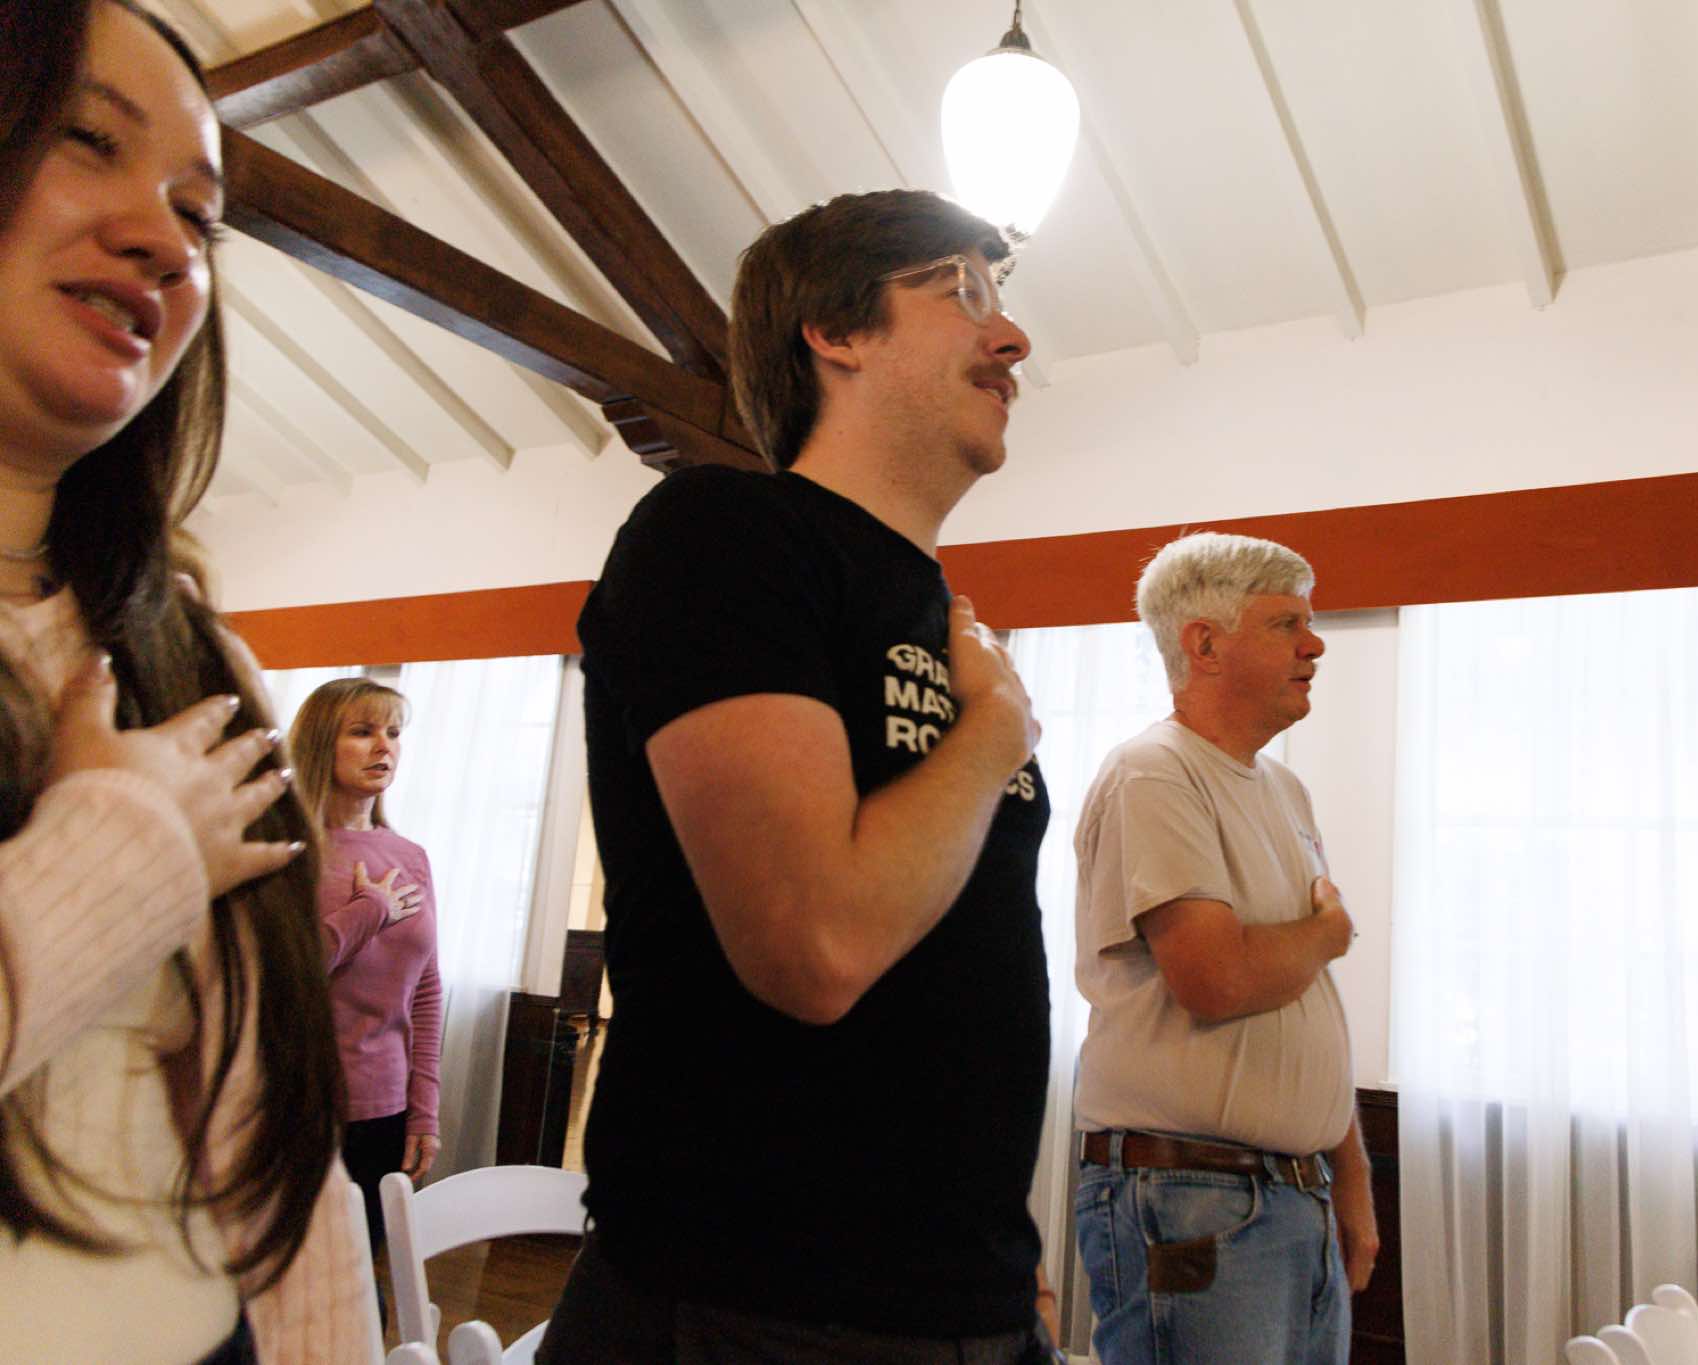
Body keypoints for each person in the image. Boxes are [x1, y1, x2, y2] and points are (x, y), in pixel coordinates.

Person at [547, 189, 1056, 1363]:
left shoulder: (943, 619)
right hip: (756, 1308)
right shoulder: (722, 533)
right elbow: (815, 945)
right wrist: (994, 734)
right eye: (959, 290)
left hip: (965, 1304)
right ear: (835, 331)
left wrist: (997, 1266)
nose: (1011, 336)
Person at [0, 2, 371, 1360]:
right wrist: (125, 846)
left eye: (198, 217)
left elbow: (281, 1156)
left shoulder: (196, 663)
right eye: (85, 140)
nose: (164, 241)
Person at [1070, 532, 1379, 1364]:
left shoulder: (1285, 789)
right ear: (1204, 644)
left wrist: (1348, 1178)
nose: (1315, 645)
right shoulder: (1155, 772)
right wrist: (1327, 933)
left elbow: (1305, 1001)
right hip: (1193, 1194)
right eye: (1287, 624)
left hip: (1289, 1193)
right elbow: (1217, 977)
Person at [286, 678, 441, 1270]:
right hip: (296, 1106)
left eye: (393, 733)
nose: (384, 746)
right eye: (362, 731)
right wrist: (368, 911)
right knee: (293, 1282)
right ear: (320, 744)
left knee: (357, 1278)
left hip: (385, 1109)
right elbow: (286, 973)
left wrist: (423, 1107)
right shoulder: (287, 849)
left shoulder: (410, 857)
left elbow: (426, 990)